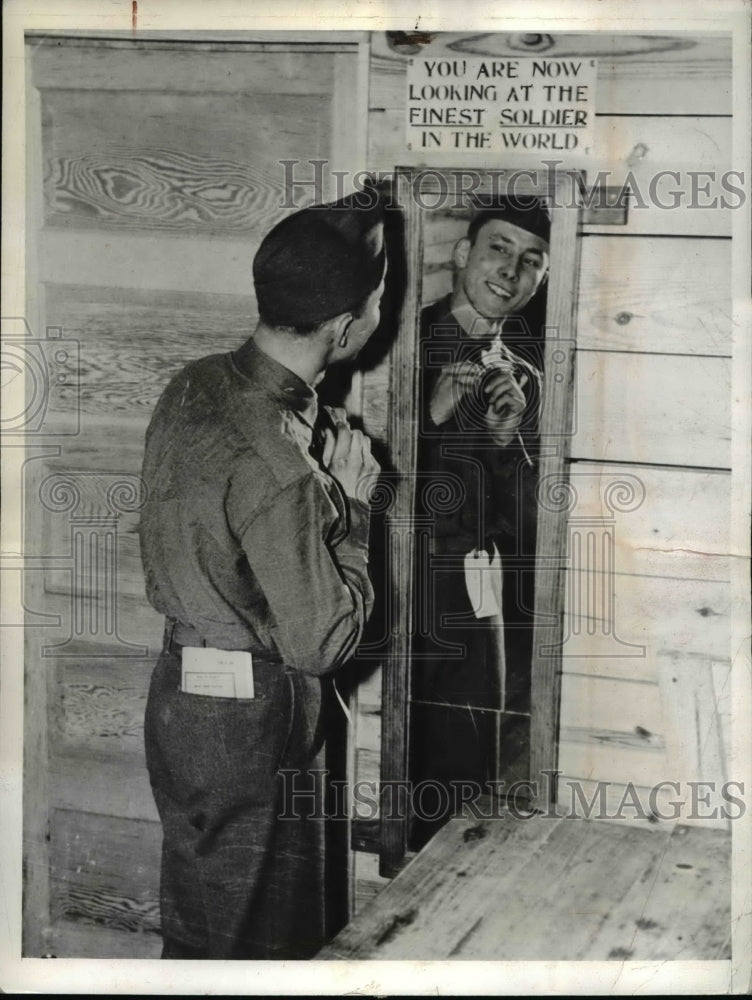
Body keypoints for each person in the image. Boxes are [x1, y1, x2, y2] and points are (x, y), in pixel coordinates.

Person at [139, 193, 386, 959]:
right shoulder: (284, 472)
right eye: (377, 303)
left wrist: (321, 499)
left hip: (183, 698)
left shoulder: (193, 383)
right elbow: (323, 642)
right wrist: (352, 513)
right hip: (254, 722)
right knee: (259, 947)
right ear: (345, 329)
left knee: (206, 929)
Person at [409, 196, 551, 846]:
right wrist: (426, 418)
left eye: (531, 260)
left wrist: (503, 440)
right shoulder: (401, 344)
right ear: (463, 254)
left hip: (475, 595)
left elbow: (530, 525)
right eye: (498, 248)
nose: (511, 270)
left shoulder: (524, 376)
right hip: (403, 591)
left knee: (468, 761)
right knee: (400, 772)